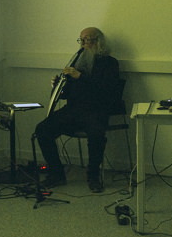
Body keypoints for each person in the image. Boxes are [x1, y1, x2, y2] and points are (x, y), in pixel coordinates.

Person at [35, 27, 120, 193]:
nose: (84, 43)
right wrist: (57, 85)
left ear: (99, 42)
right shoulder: (76, 62)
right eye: (82, 40)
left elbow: (106, 91)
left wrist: (80, 77)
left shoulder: (109, 63)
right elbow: (65, 95)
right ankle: (57, 174)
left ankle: (93, 176)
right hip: (73, 109)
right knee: (43, 129)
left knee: (96, 134)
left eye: (89, 39)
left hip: (96, 110)